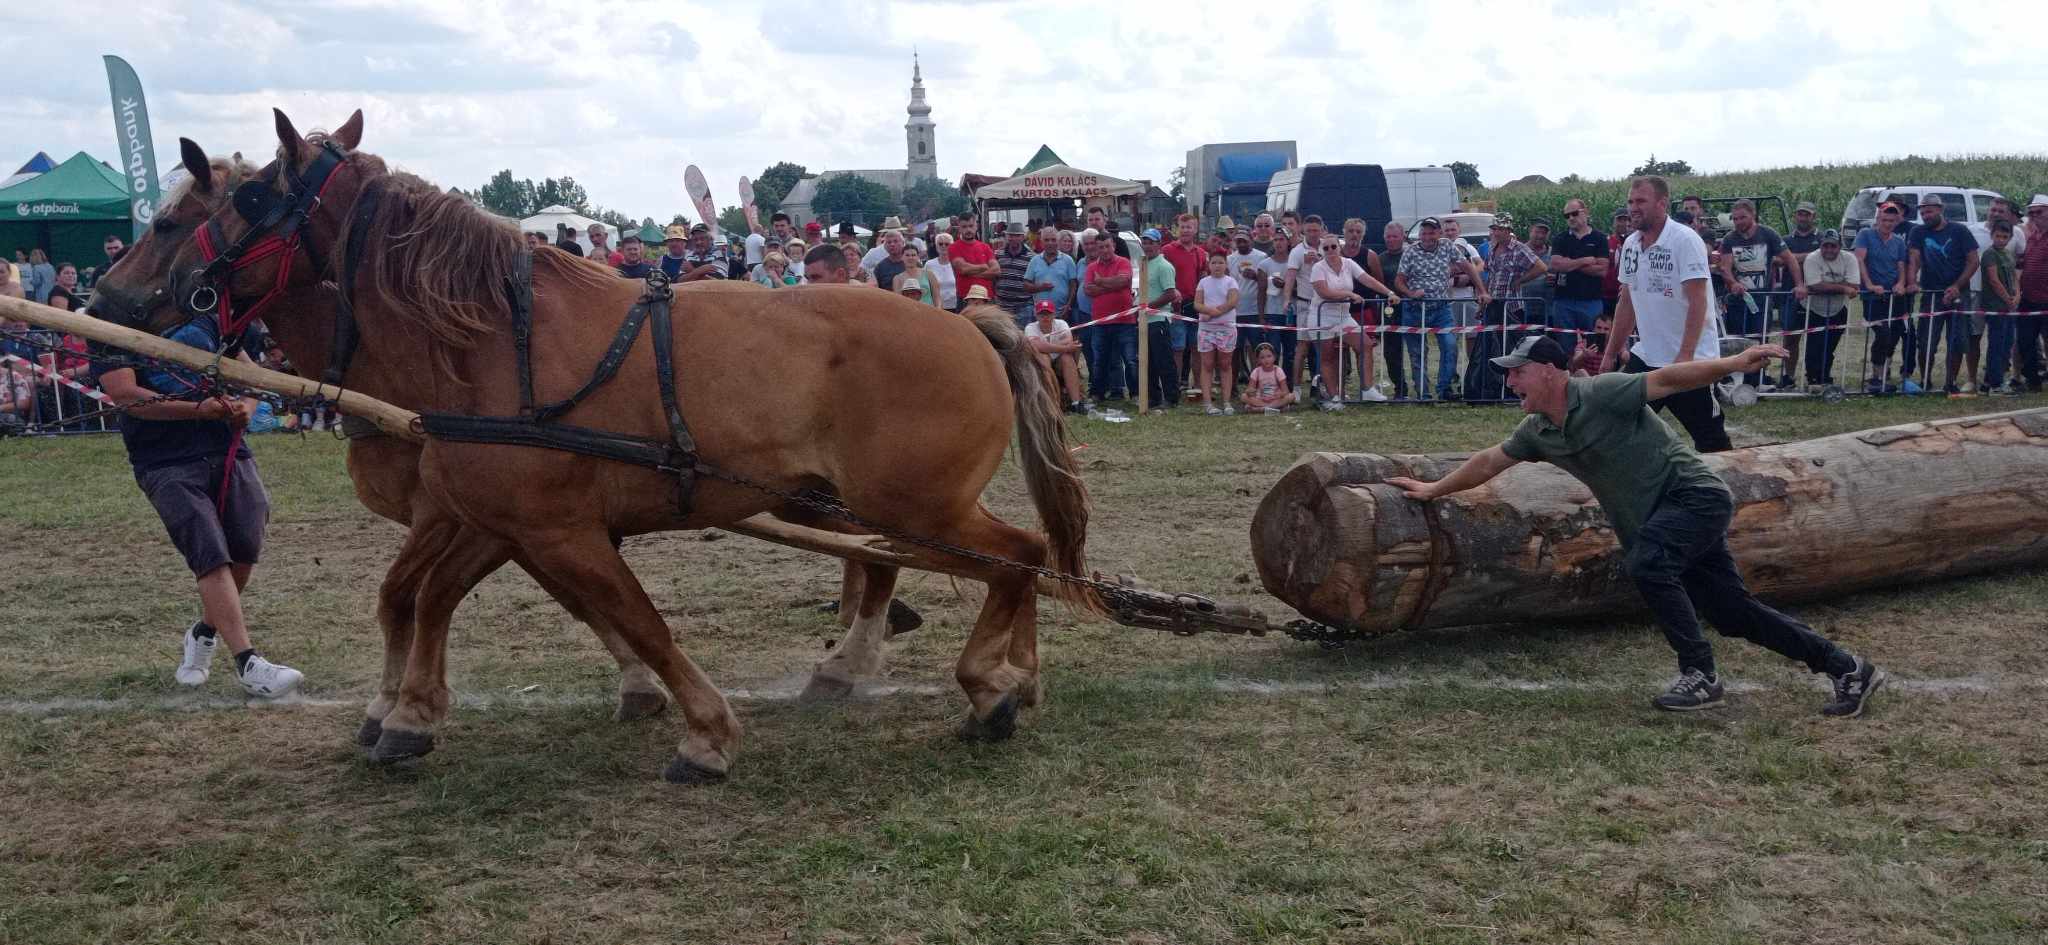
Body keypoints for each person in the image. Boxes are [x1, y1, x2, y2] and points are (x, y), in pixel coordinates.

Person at [1387, 335, 1884, 717]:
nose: (1511, 382)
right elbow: (1489, 461)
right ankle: (1848, 668)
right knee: (1732, 613)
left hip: (1694, 497)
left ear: (1549, 371)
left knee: (1648, 562)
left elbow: (1668, 379)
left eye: (1518, 373)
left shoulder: (1601, 393)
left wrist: (1733, 364)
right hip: (1664, 518)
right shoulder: (1537, 430)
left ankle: (1699, 673)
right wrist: (1433, 491)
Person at [92, 307, 305, 697]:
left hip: (227, 449)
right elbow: (123, 393)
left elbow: (251, 379)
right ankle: (249, 663)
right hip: (165, 460)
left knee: (245, 546)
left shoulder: (212, 315)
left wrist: (245, 409)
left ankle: (204, 632)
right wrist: (198, 409)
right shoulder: (114, 319)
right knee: (209, 552)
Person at [1601, 176, 1731, 453]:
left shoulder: (1684, 240)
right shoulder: (1632, 245)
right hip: (1648, 356)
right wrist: (1611, 352)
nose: (1633, 208)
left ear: (1662, 203)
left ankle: (1732, 486)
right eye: (1630, 201)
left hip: (1689, 360)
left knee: (1711, 441)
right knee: (1618, 427)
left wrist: (1684, 358)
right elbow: (1627, 300)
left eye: (1641, 201)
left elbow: (1698, 302)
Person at [1716, 199, 1805, 388]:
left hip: (1762, 298)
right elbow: (1725, 267)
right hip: (1737, 300)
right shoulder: (1730, 239)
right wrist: (1733, 283)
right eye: (1736, 218)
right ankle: (1735, 380)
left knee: (1760, 339)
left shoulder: (1768, 234)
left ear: (1753, 215)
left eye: (1743, 217)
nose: (1739, 222)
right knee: (1737, 339)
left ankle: (1757, 379)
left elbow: (1789, 260)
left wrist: (1799, 284)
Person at [1306, 234, 1397, 407]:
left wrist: (1389, 293)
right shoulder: (1318, 267)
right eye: (1326, 248)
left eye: (1333, 246)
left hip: (1344, 317)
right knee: (1328, 357)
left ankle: (1367, 389)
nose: (1330, 250)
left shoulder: (1349, 263)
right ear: (1321, 250)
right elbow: (1324, 293)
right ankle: (1334, 397)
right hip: (1320, 317)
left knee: (1366, 345)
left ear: (1339, 247)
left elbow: (1368, 280)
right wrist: (1349, 294)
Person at [1396, 218, 1481, 401]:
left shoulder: (1447, 246)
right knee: (1418, 353)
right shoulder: (1410, 252)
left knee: (1450, 345)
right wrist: (1410, 293)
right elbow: (1399, 281)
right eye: (1424, 233)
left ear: (1439, 233)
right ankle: (1423, 394)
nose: (1427, 236)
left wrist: (1482, 290)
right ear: (1419, 235)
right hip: (1414, 309)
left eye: (1432, 232)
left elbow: (1469, 267)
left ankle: (1444, 390)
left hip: (1442, 308)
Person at [1904, 193, 1980, 394]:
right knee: (1926, 340)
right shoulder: (1918, 232)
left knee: (1957, 340)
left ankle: (1950, 382)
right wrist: (1912, 282)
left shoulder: (1960, 231)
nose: (1925, 216)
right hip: (1931, 293)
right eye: (1922, 213)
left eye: (1929, 211)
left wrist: (1957, 285)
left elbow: (1973, 260)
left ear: (1940, 209)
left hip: (1959, 294)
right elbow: (1914, 259)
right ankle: (1925, 381)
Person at [1470, 216, 1549, 402]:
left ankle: (1515, 390)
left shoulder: (1519, 248)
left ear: (1508, 230)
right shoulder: (1492, 248)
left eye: (1500, 229)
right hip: (1493, 305)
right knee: (1490, 349)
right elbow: (1491, 277)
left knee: (1511, 351)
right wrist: (1482, 305)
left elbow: (1541, 267)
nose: (1496, 232)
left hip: (1512, 308)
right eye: (1494, 229)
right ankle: (1492, 389)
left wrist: (1520, 280)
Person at [1854, 202, 1914, 392]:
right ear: (1878, 219)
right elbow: (1860, 260)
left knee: (1896, 334)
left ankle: (1885, 373)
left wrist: (1901, 283)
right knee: (1882, 333)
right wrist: (1870, 285)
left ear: (1896, 221)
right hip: (1873, 297)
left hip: (1894, 296)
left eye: (1892, 220)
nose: (1888, 223)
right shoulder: (1865, 235)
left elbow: (1901, 265)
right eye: (1885, 219)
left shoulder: (1898, 241)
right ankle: (1875, 376)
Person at [1547, 199, 1610, 362]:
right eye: (1566, 215)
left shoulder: (1600, 238)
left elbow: (1602, 270)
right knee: (1565, 348)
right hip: (1563, 301)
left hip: (1591, 301)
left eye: (1574, 213)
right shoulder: (1560, 238)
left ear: (1585, 212)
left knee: (1594, 346)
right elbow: (1555, 265)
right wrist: (1585, 260)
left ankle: (1593, 381)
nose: (1571, 218)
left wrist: (1569, 263)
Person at [1798, 230, 1861, 389]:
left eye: (1833, 246)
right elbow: (1815, 285)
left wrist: (1833, 288)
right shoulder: (1812, 258)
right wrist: (1843, 288)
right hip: (1812, 308)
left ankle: (1825, 378)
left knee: (1829, 347)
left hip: (1838, 309)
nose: (1829, 250)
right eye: (1825, 246)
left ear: (1840, 246)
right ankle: (1813, 379)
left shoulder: (1849, 258)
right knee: (1814, 346)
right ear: (1820, 246)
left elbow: (1854, 285)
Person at [1082, 232, 1137, 403]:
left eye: (1107, 246)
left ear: (1113, 245)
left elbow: (1123, 281)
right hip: (1100, 321)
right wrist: (1112, 285)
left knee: (1130, 360)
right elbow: (1088, 290)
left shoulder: (1124, 262)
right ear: (1096, 248)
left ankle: (1135, 394)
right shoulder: (1091, 267)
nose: (1105, 250)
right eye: (1101, 247)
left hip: (1125, 321)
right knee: (1100, 360)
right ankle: (1098, 393)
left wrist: (1100, 282)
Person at [1160, 214, 1210, 387]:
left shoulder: (1201, 253)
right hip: (1175, 306)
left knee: (1197, 348)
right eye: (1183, 226)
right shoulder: (1167, 250)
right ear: (1177, 228)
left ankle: (1197, 385)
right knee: (1178, 348)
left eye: (1189, 227)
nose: (1186, 230)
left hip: (1195, 306)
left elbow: (1204, 279)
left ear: (1195, 230)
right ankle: (1175, 385)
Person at [1192, 253, 1240, 415]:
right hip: (1206, 330)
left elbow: (1232, 302)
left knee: (1226, 365)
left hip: (1226, 329)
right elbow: (1197, 304)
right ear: (1209, 264)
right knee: (1207, 365)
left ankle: (1226, 402)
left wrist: (1212, 313)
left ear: (1226, 265)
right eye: (1214, 262)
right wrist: (1206, 312)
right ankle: (1208, 403)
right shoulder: (1203, 282)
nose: (1217, 266)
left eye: (1220, 262)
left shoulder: (1231, 281)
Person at [1138, 229, 1181, 410]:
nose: (1147, 246)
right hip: (1144, 320)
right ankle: (1153, 397)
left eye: (1151, 242)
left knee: (1164, 360)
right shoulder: (1144, 264)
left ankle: (1171, 398)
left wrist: (1150, 307)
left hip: (1158, 320)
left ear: (1158, 244)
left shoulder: (1164, 266)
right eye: (1145, 242)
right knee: (1148, 361)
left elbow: (1170, 293)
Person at [1024, 300, 1088, 414]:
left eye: (1048, 314)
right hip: (1041, 362)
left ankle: (1076, 403)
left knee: (1067, 359)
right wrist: (1064, 348)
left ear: (1054, 314)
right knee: (1043, 358)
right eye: (1041, 314)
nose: (1045, 317)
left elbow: (1068, 340)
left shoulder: (1061, 323)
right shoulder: (1030, 327)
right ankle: (1051, 402)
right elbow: (1036, 346)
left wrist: (1046, 347)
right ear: (1036, 315)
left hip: (1058, 360)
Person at [1378, 222, 1418, 399]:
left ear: (1403, 236)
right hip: (1390, 309)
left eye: (1395, 236)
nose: (1391, 240)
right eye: (1388, 236)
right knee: (1391, 351)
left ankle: (1421, 387)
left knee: (1415, 349)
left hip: (1411, 306)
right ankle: (1399, 387)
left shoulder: (1412, 255)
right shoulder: (1380, 259)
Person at [1980, 221, 2020, 394]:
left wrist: (2018, 294)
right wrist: (2007, 299)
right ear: (1992, 235)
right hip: (1996, 306)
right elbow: (1993, 280)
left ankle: (1991, 380)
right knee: (1997, 344)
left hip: (2010, 306)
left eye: (2005, 237)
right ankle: (1995, 383)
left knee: (2008, 342)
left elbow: (2014, 276)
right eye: (1998, 236)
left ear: (2010, 237)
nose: (2001, 240)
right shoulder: (1990, 254)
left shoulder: (2008, 253)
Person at [2013, 194, 2048, 393]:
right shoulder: (2032, 237)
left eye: (2039, 212)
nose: (2034, 216)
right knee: (2025, 341)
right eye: (2031, 213)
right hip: (2029, 298)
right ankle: (2032, 379)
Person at [1026, 226, 1079, 318]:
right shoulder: (1034, 261)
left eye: (1053, 240)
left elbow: (1073, 285)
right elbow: (1026, 285)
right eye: (1046, 240)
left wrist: (1069, 305)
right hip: (1040, 314)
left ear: (1058, 242)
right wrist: (1040, 287)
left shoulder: (1068, 260)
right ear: (1041, 242)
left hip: (1062, 313)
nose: (1050, 243)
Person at [949, 217, 999, 309]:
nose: (968, 229)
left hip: (987, 299)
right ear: (959, 229)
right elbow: (963, 269)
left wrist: (970, 273)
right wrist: (984, 266)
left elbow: (996, 271)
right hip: (966, 299)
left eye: (971, 226)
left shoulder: (985, 247)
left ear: (976, 227)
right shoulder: (953, 247)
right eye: (964, 227)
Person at [992, 224, 1035, 323]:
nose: (1013, 238)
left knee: (1023, 336)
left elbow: (1033, 280)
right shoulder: (998, 254)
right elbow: (994, 278)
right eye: (1010, 235)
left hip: (1023, 306)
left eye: (1017, 236)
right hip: (1002, 305)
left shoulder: (1031, 257)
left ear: (1023, 237)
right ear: (1006, 237)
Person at [1241, 343, 1291, 413]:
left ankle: (1262, 409)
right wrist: (1250, 391)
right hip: (1260, 399)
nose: (1266, 360)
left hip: (1275, 399)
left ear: (1274, 357)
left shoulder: (1278, 370)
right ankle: (1274, 409)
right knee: (1243, 397)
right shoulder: (1256, 371)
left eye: (1269, 356)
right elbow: (1249, 390)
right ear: (1258, 360)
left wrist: (1281, 394)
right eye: (1262, 357)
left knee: (1290, 397)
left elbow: (1286, 391)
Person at [869, 228, 909, 294]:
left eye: (895, 241)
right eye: (889, 242)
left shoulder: (911, 262)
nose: (892, 244)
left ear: (903, 243)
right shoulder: (880, 267)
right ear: (885, 246)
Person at [926, 232, 959, 310]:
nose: (943, 246)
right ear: (936, 246)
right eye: (940, 244)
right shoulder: (929, 264)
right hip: (936, 307)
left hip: (956, 306)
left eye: (947, 244)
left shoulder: (957, 263)